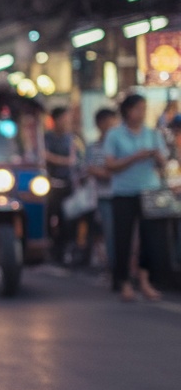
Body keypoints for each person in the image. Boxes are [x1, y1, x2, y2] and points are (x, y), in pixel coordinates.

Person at [104, 94, 168, 301]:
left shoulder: (152, 134)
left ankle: (145, 280)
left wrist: (157, 157)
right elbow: (110, 164)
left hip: (149, 191)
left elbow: (163, 163)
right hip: (123, 192)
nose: (142, 113)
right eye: (138, 109)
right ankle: (123, 281)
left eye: (144, 109)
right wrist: (134, 158)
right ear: (128, 110)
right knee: (123, 238)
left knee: (149, 239)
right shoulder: (115, 135)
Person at [45, 106, 80, 263]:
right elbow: (44, 155)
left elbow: (76, 159)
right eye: (64, 119)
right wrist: (65, 161)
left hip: (68, 184)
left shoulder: (71, 138)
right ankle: (51, 249)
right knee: (49, 218)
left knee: (67, 219)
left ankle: (65, 251)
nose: (67, 122)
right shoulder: (46, 138)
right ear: (56, 120)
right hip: (50, 185)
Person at [84, 108, 118, 271]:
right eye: (109, 124)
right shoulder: (93, 147)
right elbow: (89, 169)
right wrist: (110, 173)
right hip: (103, 195)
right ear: (100, 125)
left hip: (123, 194)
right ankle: (114, 268)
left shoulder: (119, 145)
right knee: (109, 233)